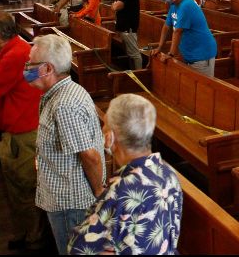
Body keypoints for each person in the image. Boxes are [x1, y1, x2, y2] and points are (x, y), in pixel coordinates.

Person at [68, 93, 182, 255]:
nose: (102, 130)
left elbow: (79, 248)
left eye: (105, 124)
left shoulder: (121, 190)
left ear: (111, 137)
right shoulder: (168, 173)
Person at [0, 12, 44, 251]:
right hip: (22, 125)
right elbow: (24, 80)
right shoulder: (22, 47)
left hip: (19, 133)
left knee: (23, 185)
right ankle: (28, 230)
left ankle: (32, 235)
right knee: (19, 185)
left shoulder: (14, 55)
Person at [26, 34, 105, 254]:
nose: (26, 68)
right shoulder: (63, 91)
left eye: (31, 64)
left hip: (70, 204)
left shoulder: (64, 105)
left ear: (47, 69)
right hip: (64, 197)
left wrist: (99, 190)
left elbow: (90, 155)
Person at [153, 0, 218, 78]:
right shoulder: (174, 5)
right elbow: (166, 27)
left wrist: (171, 54)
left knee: (202, 89)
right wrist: (159, 47)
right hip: (190, 54)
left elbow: (178, 31)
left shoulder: (186, 5)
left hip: (202, 55)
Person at [112, 0, 142, 70]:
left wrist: (115, 4)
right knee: (129, 53)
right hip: (123, 26)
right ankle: (133, 72)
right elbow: (115, 3)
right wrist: (115, 4)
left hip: (128, 26)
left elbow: (117, 6)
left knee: (134, 54)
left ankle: (139, 74)